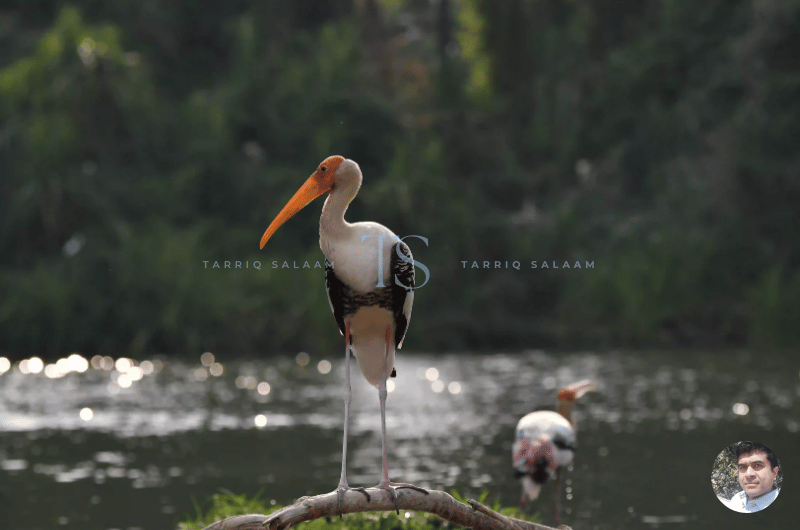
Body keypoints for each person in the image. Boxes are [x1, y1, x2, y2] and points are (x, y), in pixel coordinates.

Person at [724, 441, 781, 513]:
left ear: (774, 473)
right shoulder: (737, 499)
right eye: (742, 467)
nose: (748, 474)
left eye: (757, 465)